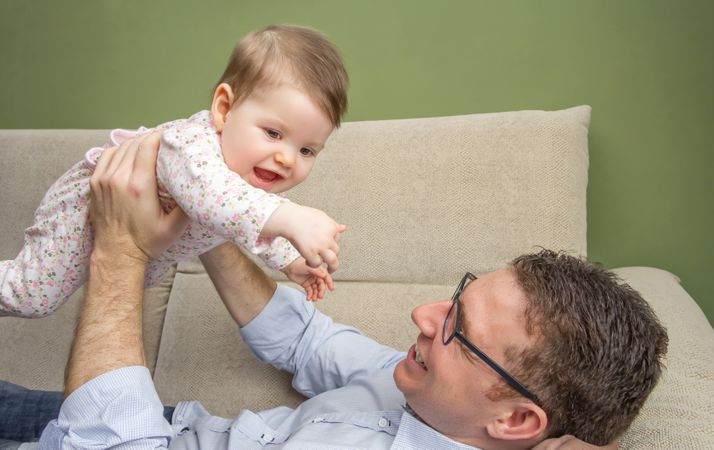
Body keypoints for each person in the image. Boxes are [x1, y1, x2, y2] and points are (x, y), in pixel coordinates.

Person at [1, 135, 667, 448]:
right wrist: (218, 217)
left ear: (517, 421)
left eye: (458, 330)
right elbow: (304, 340)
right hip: (163, 422)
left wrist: (121, 250)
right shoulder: (431, 394)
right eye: (457, 297)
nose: (423, 315)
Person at [0, 24, 348, 319]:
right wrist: (290, 217)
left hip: (135, 244)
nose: (287, 158)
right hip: (84, 210)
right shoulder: (191, 145)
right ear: (225, 108)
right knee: (31, 296)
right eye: (273, 133)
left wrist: (289, 260)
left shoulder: (245, 183)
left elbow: (241, 221)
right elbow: (216, 199)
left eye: (306, 150)